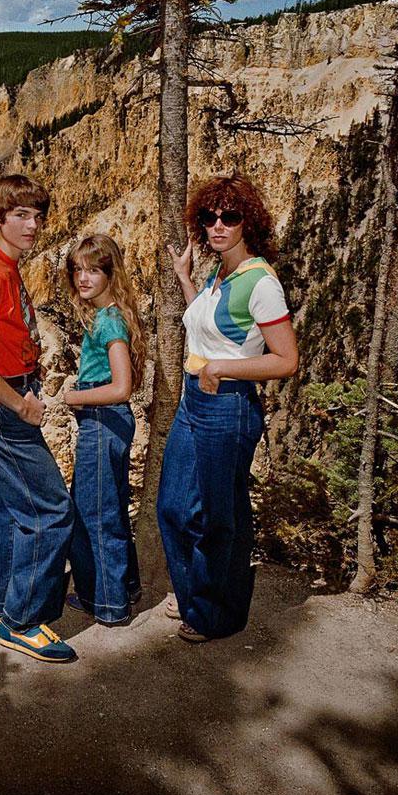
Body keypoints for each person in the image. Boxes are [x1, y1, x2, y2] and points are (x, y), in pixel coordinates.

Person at [158, 175, 299, 642]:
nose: (218, 226)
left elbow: (286, 359)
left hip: (229, 407)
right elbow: (206, 327)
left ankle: (215, 615)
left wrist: (225, 368)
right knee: (174, 507)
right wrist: (184, 278)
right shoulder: (220, 272)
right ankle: (197, 594)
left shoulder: (260, 282)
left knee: (220, 516)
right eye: (209, 217)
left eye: (229, 217)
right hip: (194, 400)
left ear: (247, 222)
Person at [0, 174, 77, 663]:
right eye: (21, 215)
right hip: (4, 406)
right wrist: (19, 402)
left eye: (38, 215)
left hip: (11, 395)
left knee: (6, 505)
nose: (33, 225)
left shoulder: (6, 267)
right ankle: (23, 621)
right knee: (50, 510)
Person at [60, 234, 145, 627]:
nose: (83, 278)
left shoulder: (108, 319)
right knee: (108, 507)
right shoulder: (109, 314)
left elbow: (122, 386)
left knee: (96, 514)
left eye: (93, 270)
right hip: (109, 420)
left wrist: (72, 397)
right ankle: (123, 587)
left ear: (111, 273)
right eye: (77, 270)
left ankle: (109, 604)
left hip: (101, 418)